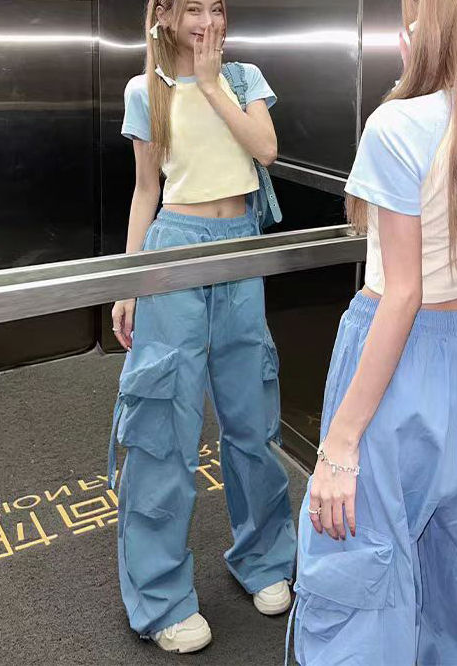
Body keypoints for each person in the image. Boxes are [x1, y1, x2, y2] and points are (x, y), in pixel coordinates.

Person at [285, 0, 457, 663]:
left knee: (361, 586)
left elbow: (403, 293)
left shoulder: (397, 124)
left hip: (393, 363)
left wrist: (339, 445)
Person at [107, 0, 297, 653]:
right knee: (164, 424)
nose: (207, 19)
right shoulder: (145, 90)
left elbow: (266, 149)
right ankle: (160, 596)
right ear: (162, 15)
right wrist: (128, 283)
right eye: (191, 7)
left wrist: (214, 85)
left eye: (215, 6)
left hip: (240, 247)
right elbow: (145, 191)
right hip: (175, 250)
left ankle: (264, 558)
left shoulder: (242, 78)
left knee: (252, 416)